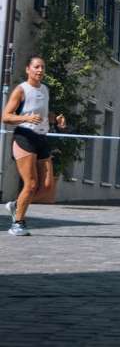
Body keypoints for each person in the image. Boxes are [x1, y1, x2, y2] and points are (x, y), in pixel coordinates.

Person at [2, 56, 66, 236]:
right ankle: (17, 224)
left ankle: (16, 205)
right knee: (30, 184)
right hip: (24, 137)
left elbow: (43, 114)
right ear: (28, 69)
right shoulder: (21, 90)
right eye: (36, 67)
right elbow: (6, 116)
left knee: (47, 187)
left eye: (42, 67)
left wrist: (56, 119)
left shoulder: (45, 89)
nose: (40, 70)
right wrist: (25, 118)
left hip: (41, 138)